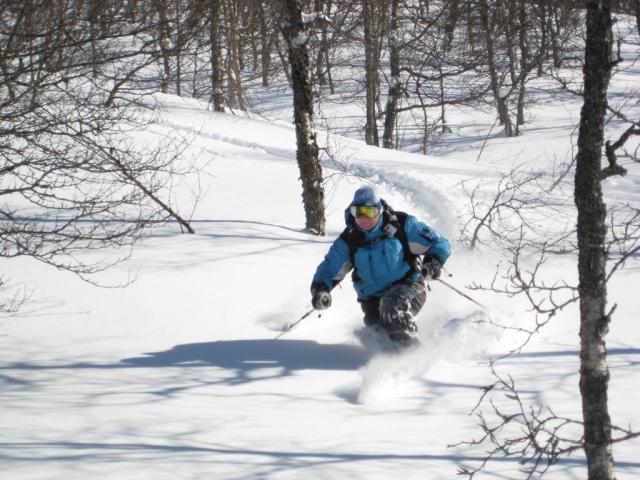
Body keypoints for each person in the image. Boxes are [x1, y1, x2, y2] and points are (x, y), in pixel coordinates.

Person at [310, 185, 451, 345]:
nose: (363, 218)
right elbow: (329, 267)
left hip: (408, 286)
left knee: (392, 307)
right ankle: (388, 361)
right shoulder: (349, 240)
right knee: (378, 334)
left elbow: (439, 242)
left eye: (369, 212)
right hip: (372, 300)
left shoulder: (402, 225)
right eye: (358, 212)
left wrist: (433, 263)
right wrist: (321, 290)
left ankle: (412, 355)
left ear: (379, 209)